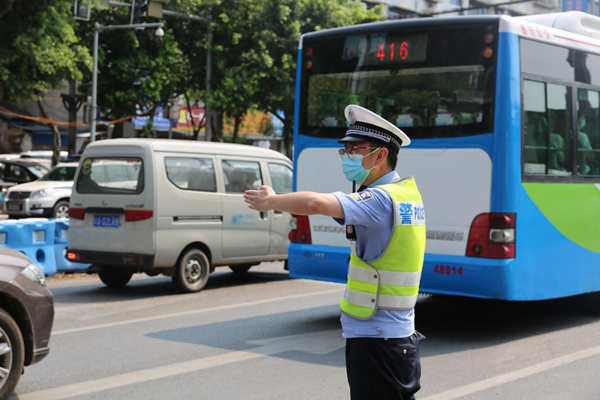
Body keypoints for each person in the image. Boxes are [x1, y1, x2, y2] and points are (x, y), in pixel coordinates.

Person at [244, 104, 426, 400]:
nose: (348, 156)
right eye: (346, 150)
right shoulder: (403, 195)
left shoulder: (378, 200)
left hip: (378, 340)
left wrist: (272, 200)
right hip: (391, 337)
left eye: (356, 149)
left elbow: (316, 204)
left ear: (380, 155)